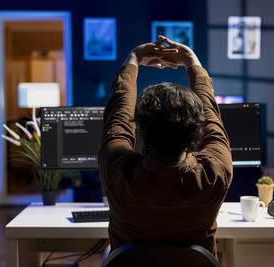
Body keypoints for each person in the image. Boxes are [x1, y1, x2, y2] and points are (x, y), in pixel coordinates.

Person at [98, 36, 233, 259]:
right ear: (196, 129)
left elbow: (119, 115)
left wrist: (134, 58)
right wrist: (191, 61)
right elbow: (211, 118)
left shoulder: (117, 170)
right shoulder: (215, 173)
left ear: (140, 128)